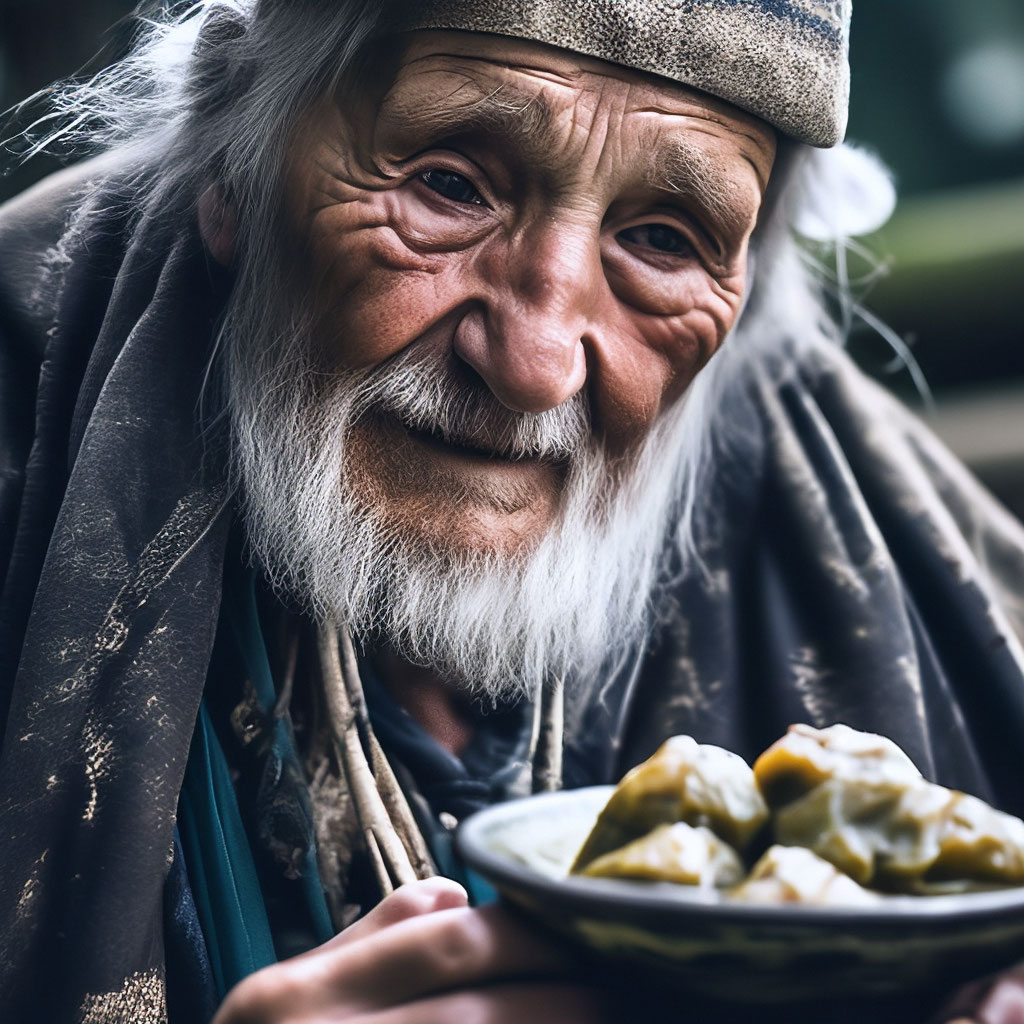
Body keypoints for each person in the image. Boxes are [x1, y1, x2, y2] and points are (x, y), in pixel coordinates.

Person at [1, 1, 1023, 1022]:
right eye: (449, 186)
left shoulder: (863, 523)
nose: (535, 367)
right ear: (236, 155)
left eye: (663, 242)